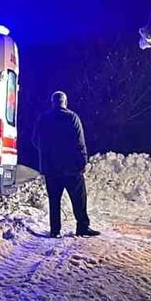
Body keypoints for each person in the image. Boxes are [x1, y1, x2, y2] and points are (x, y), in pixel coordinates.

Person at [33, 91, 99, 238]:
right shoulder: (72, 117)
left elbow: (35, 140)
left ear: (52, 102)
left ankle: (55, 230)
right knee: (79, 199)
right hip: (71, 168)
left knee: (54, 200)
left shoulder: (44, 118)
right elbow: (79, 142)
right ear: (65, 102)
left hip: (51, 167)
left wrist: (47, 153)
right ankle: (82, 226)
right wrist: (82, 162)